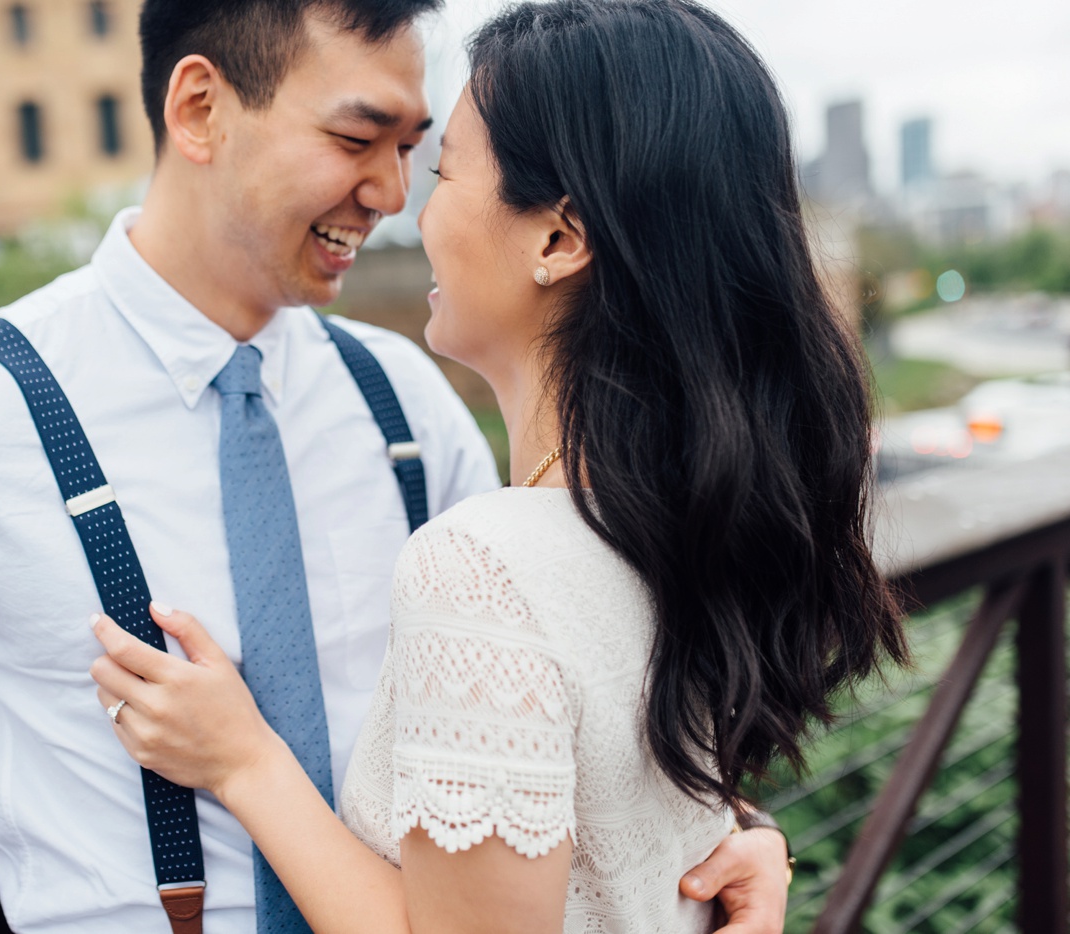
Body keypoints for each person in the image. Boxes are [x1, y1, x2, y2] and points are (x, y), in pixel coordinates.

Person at [0, 1, 792, 931]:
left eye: (413, 149)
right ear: (200, 109)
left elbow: (544, 684)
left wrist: (718, 827)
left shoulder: (398, 394)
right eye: (356, 142)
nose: (393, 195)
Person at [85, 0, 911, 932]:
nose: (410, 206)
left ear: (557, 240)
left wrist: (243, 762)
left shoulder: (481, 568)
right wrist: (750, 830)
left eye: (441, 170)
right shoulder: (688, 515)